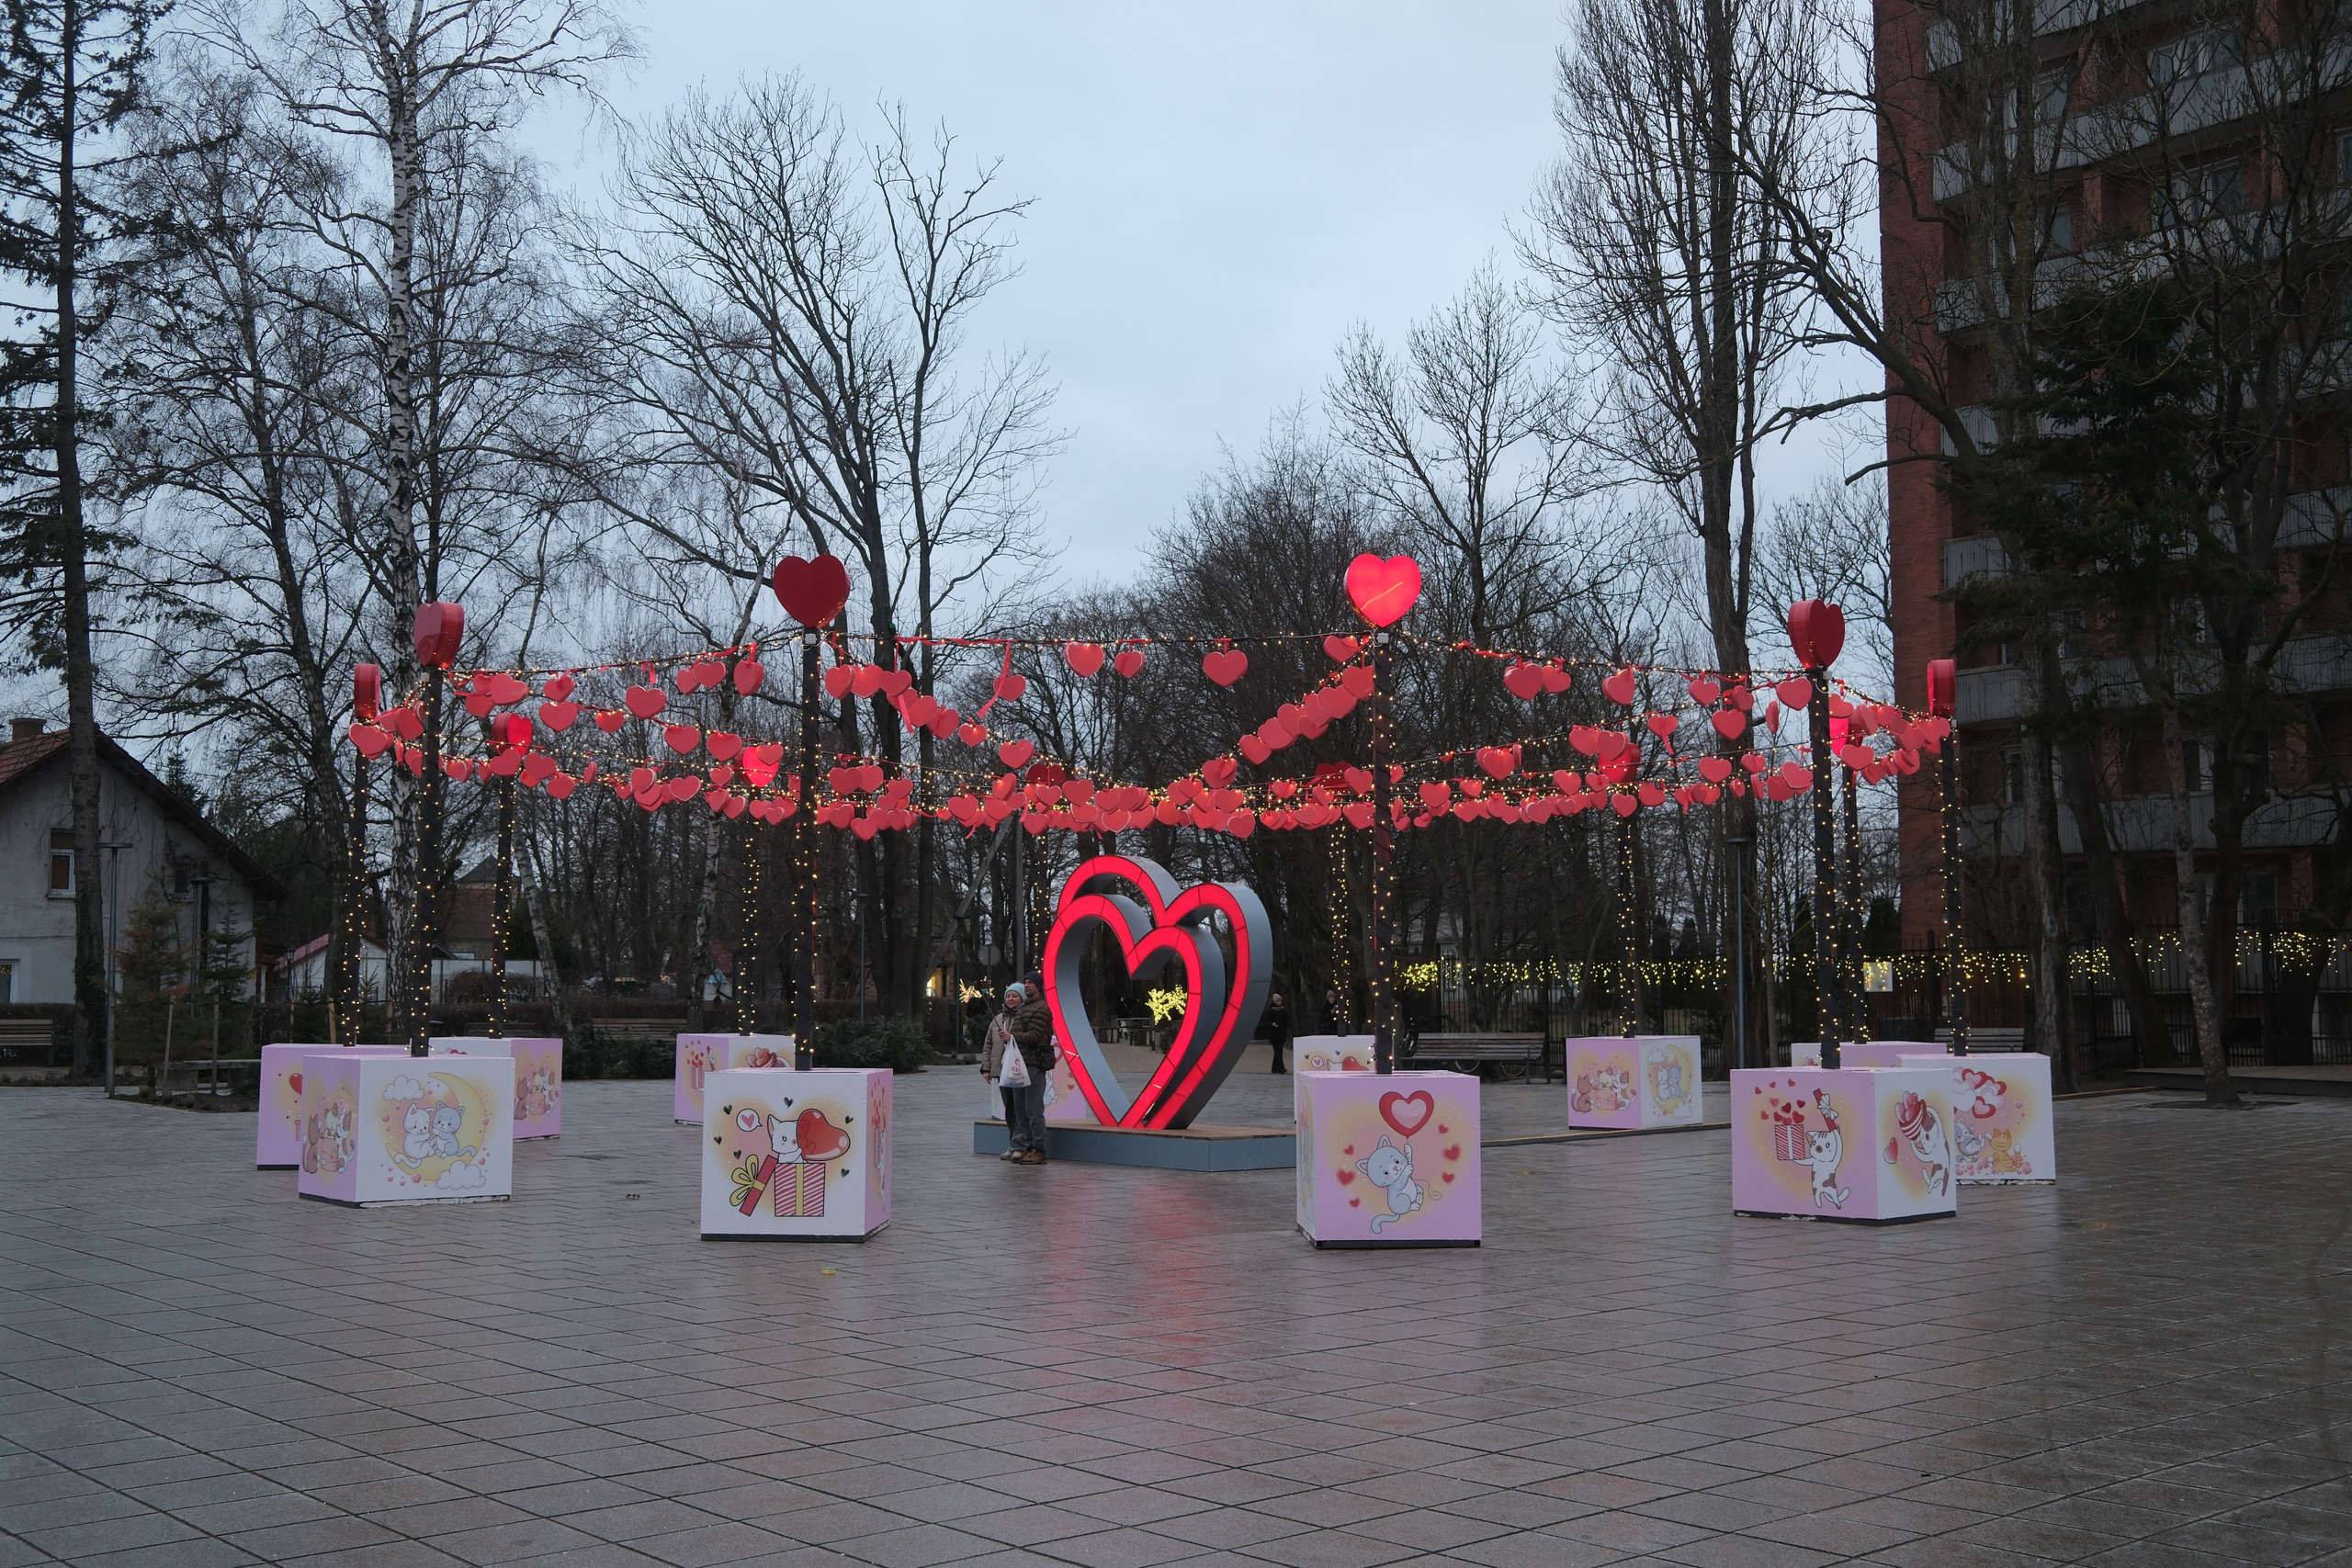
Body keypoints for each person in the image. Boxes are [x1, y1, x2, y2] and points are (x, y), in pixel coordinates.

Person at [1005, 982, 1057, 1163]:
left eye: (1031, 983)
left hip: (1033, 1064)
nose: (1027, 985)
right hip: (1020, 1065)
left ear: (1038, 987)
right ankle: (1027, 1147)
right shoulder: (1023, 1008)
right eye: (1025, 982)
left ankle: (1039, 1150)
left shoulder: (1041, 1009)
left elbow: (1034, 1036)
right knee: (1020, 1110)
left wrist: (1012, 1037)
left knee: (1033, 1109)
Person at [1263, 991, 1293, 1073]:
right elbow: (1265, 1022)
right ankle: (1281, 1068)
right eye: (1278, 1001)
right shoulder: (1270, 1012)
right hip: (1274, 1034)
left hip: (1282, 1033)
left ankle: (1275, 1068)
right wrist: (1272, 1024)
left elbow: (1288, 1021)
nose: (1279, 1002)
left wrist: (1283, 1024)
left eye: (1280, 1001)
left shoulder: (1284, 1011)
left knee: (1279, 1051)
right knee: (1278, 1051)